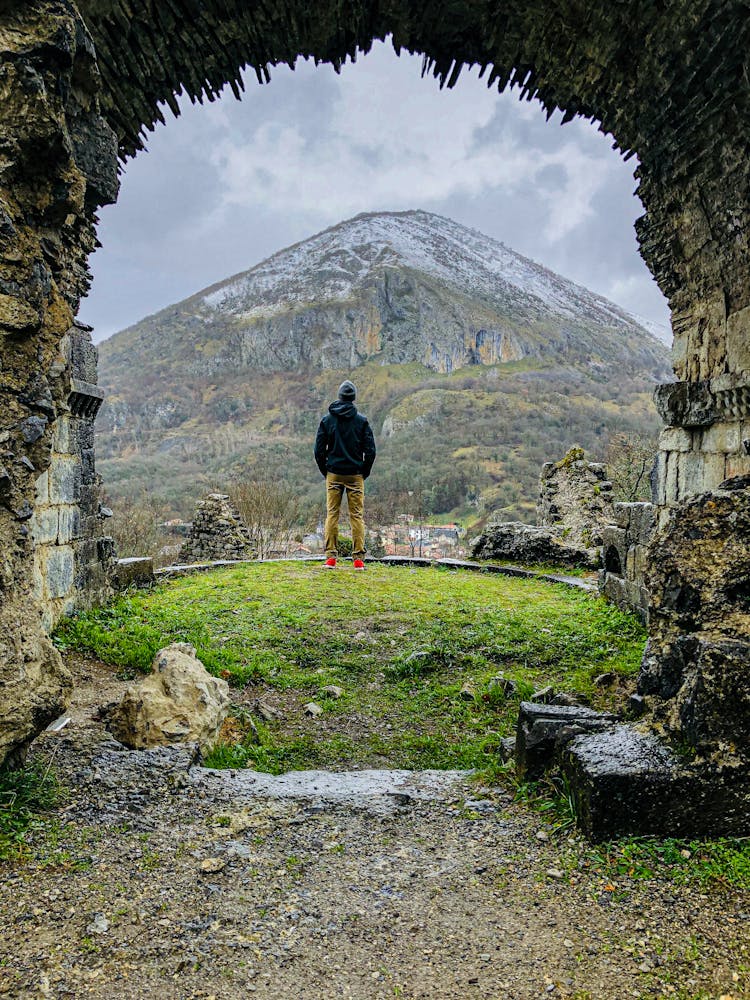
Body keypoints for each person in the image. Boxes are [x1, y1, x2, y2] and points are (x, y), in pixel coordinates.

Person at [314, 380, 376, 570]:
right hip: (355, 474)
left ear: (339, 397)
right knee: (356, 516)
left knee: (332, 514)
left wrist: (327, 471)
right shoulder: (361, 421)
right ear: (353, 398)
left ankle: (331, 557)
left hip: (334, 473)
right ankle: (358, 559)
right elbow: (371, 451)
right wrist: (363, 472)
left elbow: (318, 450)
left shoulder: (327, 420)